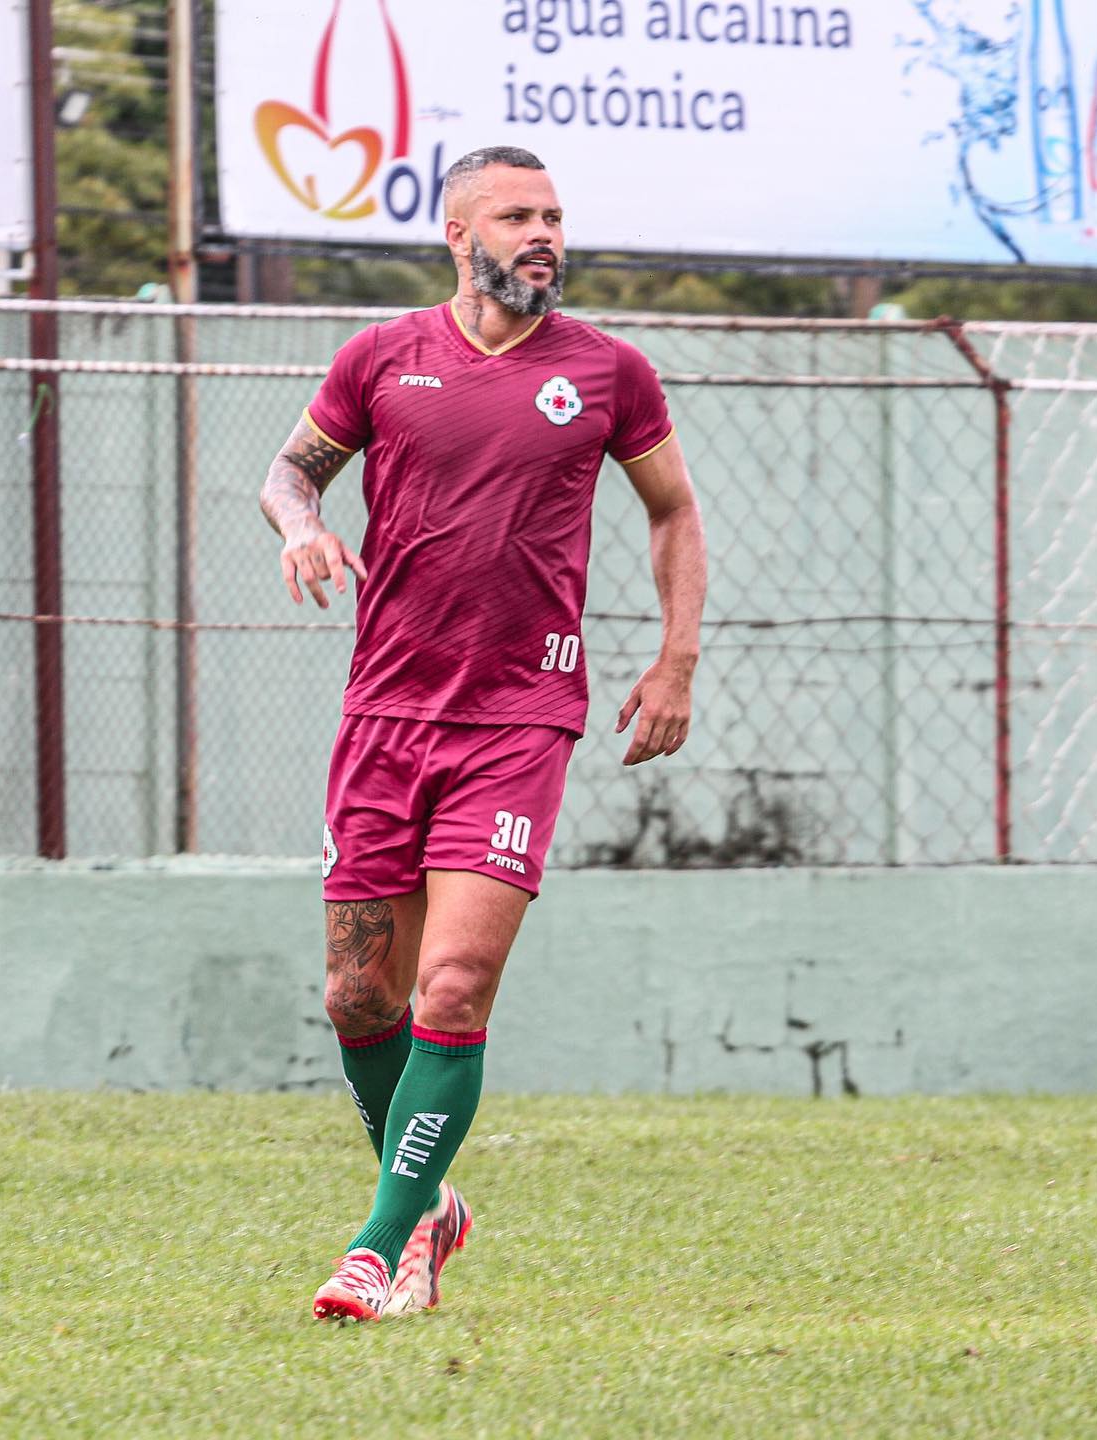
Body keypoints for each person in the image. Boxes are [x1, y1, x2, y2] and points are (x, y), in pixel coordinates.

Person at [258, 145, 707, 1322]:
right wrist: (300, 527)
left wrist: (676, 658)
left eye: (555, 213)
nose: (544, 232)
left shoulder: (609, 371)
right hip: (387, 709)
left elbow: (673, 511)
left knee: (452, 986)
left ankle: (375, 1249)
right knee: (362, 997)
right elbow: (289, 475)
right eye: (519, 215)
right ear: (461, 237)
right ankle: (432, 1209)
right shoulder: (384, 357)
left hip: (520, 717)